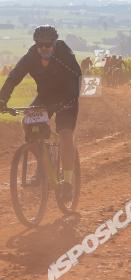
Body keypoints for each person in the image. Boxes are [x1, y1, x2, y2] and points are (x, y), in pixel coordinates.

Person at [0, 25, 81, 200]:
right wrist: (2, 100)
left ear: (54, 43)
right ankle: (43, 164)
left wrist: (70, 99)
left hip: (67, 98)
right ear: (36, 44)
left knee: (65, 135)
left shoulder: (64, 53)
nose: (44, 48)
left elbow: (76, 76)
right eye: (40, 45)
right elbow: (14, 77)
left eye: (48, 45)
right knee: (27, 123)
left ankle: (67, 184)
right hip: (45, 97)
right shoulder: (31, 56)